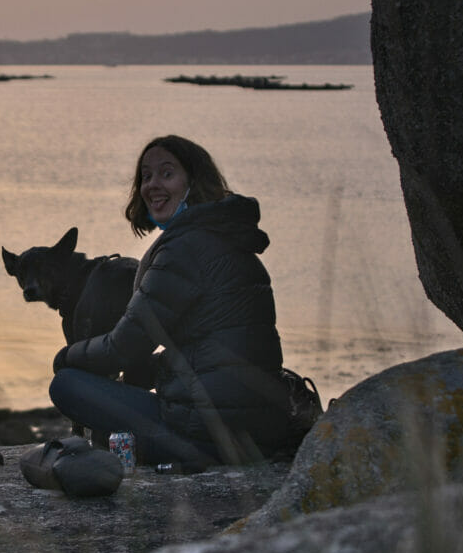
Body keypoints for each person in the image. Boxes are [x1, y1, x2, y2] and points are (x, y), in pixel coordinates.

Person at [48, 134, 294, 471]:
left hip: (207, 437)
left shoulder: (183, 249)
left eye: (167, 173)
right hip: (256, 427)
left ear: (194, 181)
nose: (152, 185)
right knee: (128, 382)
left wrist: (65, 357)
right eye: (145, 176)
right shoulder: (223, 236)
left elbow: (121, 347)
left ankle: (139, 449)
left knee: (68, 384)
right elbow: (208, 354)